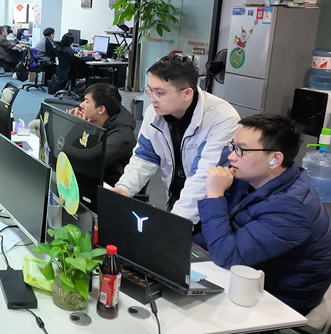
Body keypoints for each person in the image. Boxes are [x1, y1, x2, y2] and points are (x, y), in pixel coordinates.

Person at [194, 114, 331, 316]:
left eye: (241, 150)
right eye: (233, 146)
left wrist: (215, 195)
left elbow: (228, 256)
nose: (231, 156)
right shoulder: (251, 176)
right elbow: (222, 229)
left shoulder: (292, 208)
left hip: (280, 297)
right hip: (251, 271)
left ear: (275, 159)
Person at [112, 54, 240, 224]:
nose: (152, 98)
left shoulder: (222, 118)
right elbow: (144, 157)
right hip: (176, 196)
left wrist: (173, 224)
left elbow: (203, 178)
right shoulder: (154, 113)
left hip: (211, 207)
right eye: (150, 90)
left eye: (159, 93)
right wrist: (123, 189)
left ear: (187, 93)